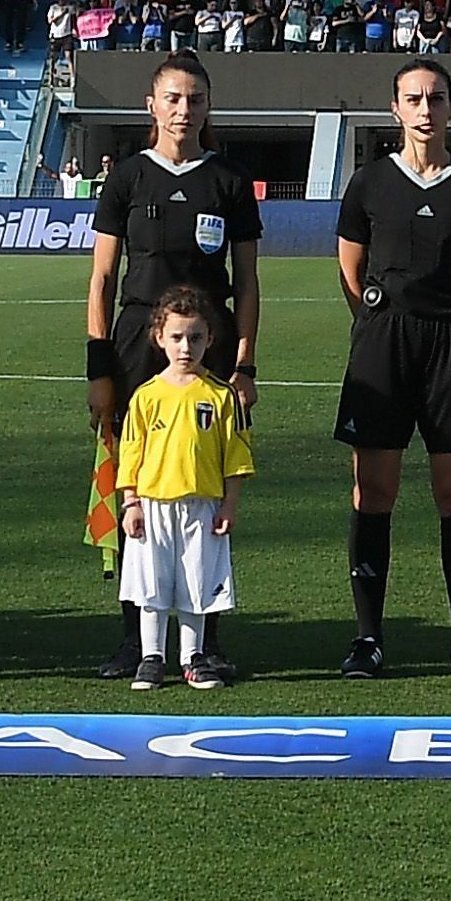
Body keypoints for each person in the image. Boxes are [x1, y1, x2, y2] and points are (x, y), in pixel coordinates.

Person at [93, 55, 269, 680]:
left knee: (209, 484)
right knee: (129, 482)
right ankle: (134, 638)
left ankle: (205, 641)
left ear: (207, 107)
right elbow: (102, 278)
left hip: (209, 343)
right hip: (136, 343)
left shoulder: (229, 179)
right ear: (152, 105)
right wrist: (98, 366)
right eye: (173, 98)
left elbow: (246, 282)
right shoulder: (127, 178)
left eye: (195, 99)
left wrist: (245, 361)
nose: (183, 110)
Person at [112, 284, 252, 691]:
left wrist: (229, 505)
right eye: (176, 337)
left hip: (202, 506)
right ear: (159, 339)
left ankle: (193, 658)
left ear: (210, 338)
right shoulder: (146, 396)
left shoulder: (221, 396)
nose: (185, 347)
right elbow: (131, 452)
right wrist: (131, 503)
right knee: (151, 586)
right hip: (153, 505)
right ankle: (151, 658)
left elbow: (235, 457)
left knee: (196, 584)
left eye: (195, 337)